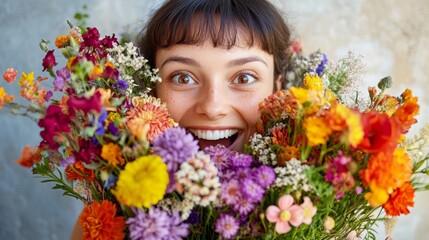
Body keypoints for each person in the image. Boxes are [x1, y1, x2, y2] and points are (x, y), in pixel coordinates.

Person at [70, 0, 291, 238]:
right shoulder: (108, 218)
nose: (212, 107)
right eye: (183, 78)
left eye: (244, 78)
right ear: (151, 91)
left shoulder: (317, 212)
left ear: (276, 89)